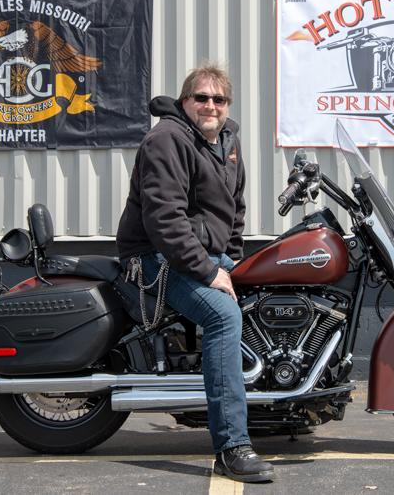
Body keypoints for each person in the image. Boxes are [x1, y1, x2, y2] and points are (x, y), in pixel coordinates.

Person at [116, 63, 275, 483]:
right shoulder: (167, 139)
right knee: (223, 317)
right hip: (155, 256)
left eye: (219, 99)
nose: (210, 105)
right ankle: (232, 447)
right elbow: (164, 219)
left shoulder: (227, 142)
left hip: (202, 254)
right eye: (201, 97)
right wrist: (209, 272)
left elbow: (235, 212)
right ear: (185, 101)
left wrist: (232, 261)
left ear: (228, 105)